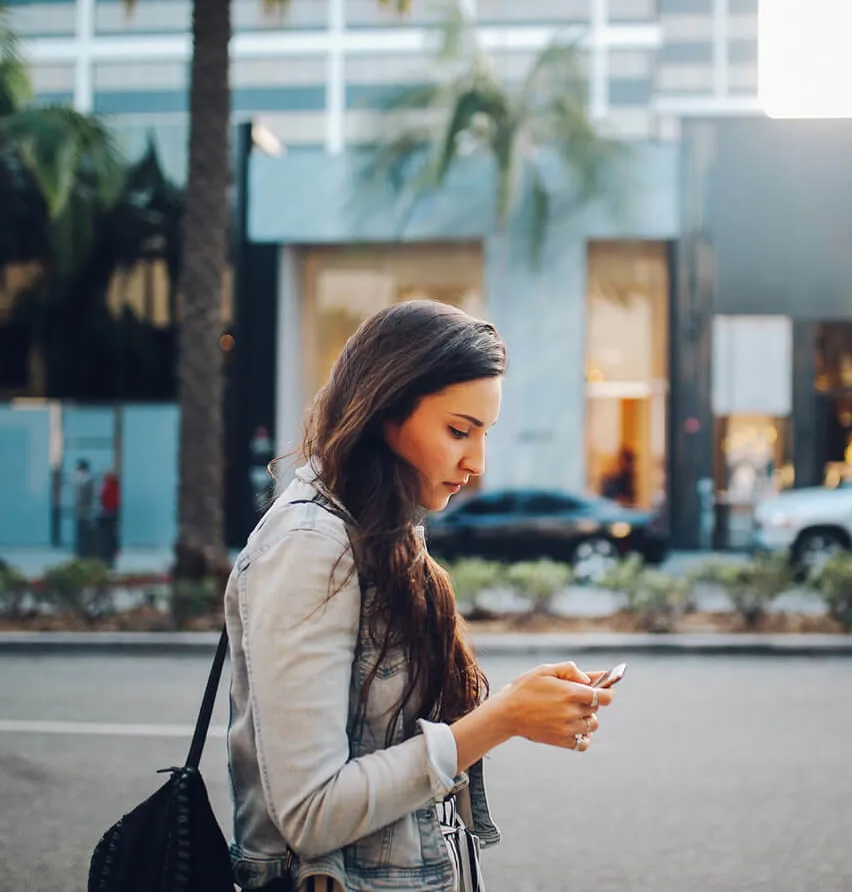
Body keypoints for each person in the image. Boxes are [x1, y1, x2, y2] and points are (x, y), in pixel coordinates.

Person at [225, 300, 616, 892]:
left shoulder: (379, 530)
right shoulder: (312, 546)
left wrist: (515, 706)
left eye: (484, 434)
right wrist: (503, 718)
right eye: (459, 430)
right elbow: (310, 812)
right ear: (385, 412)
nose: (477, 461)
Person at [73, 460, 95, 558]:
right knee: (80, 530)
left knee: (85, 531)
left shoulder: (89, 480)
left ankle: (85, 551)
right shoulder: (79, 480)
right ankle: (80, 550)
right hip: (80, 510)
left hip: (86, 510)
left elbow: (90, 497)